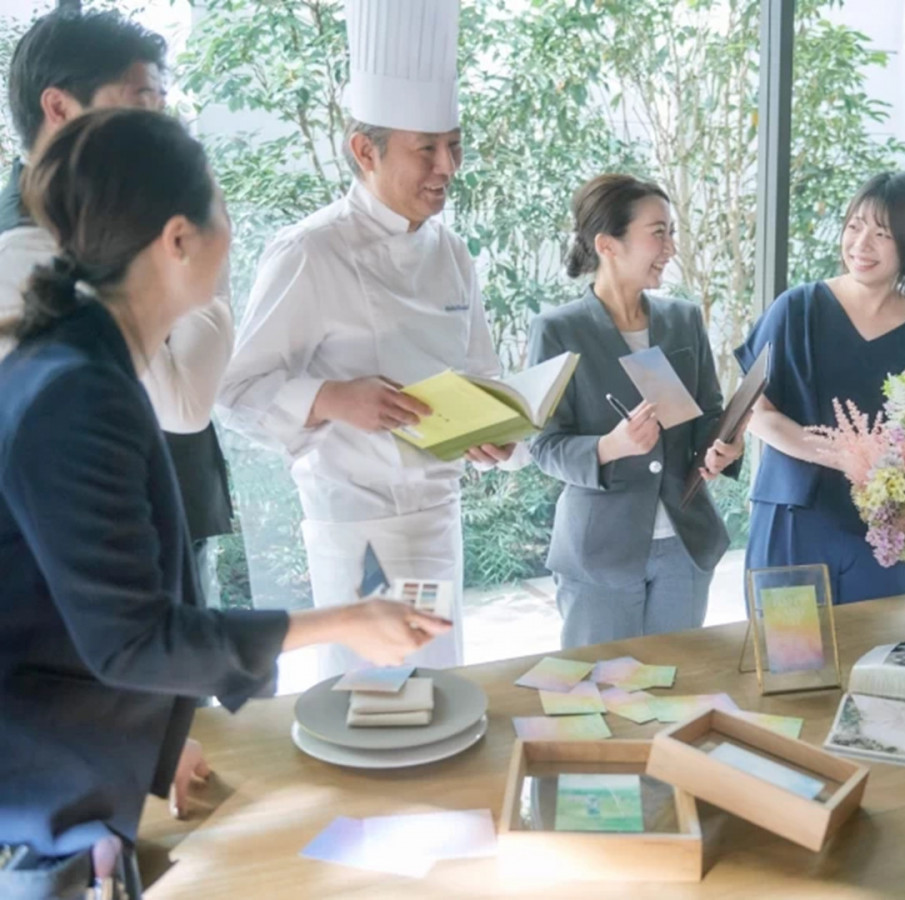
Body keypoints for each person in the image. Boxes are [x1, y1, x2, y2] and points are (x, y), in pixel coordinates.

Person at [0, 108, 450, 900]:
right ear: (178, 239)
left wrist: (161, 739)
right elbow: (134, 637)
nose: (232, 235)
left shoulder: (84, 365)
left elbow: (84, 608)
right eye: (222, 208)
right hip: (50, 802)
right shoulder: (76, 392)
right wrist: (349, 619)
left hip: (82, 774)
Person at [218, 0, 525, 678]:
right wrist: (330, 397)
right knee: (368, 709)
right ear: (365, 150)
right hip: (354, 527)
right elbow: (235, 393)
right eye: (426, 149)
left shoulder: (453, 253)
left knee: (440, 695)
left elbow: (481, 372)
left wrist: (495, 435)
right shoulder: (309, 252)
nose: (447, 166)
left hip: (439, 521)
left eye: (454, 145)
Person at [0, 8, 237, 602]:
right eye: (141, 100)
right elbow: (184, 401)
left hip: (171, 521)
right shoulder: (25, 249)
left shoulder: (134, 212)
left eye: (160, 102)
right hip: (85, 565)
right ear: (59, 108)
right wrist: (204, 238)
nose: (160, 123)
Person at [526, 174, 742, 648]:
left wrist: (726, 444)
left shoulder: (683, 321)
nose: (670, 247)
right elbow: (542, 445)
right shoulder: (558, 331)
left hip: (684, 546)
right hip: (599, 552)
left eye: (671, 232)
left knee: (680, 692)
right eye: (658, 232)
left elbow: (709, 414)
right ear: (608, 244)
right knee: (603, 695)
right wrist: (609, 447)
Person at [735, 171, 905, 605]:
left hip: (884, 533)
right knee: (791, 662)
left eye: (882, 233)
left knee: (875, 662)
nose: (861, 245)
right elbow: (755, 412)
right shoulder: (796, 308)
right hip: (792, 520)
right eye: (855, 226)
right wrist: (841, 454)